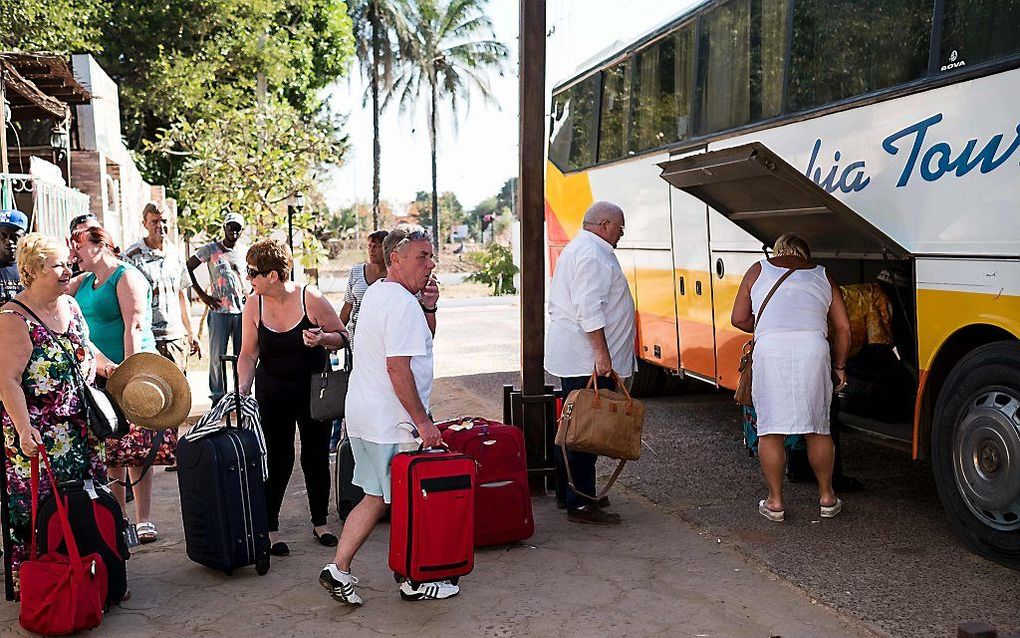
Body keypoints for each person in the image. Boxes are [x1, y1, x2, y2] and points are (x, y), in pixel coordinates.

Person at [319, 223, 447, 606]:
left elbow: (418, 342)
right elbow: (399, 368)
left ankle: (338, 568)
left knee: (376, 497)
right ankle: (413, 578)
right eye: (422, 257)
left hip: (363, 415)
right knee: (407, 501)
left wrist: (429, 305)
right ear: (395, 259)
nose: (431, 263)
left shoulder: (377, 294)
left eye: (430, 255)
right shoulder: (400, 303)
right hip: (393, 421)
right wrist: (423, 422)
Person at [0, 234, 118, 598]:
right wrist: (23, 428)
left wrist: (114, 370)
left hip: (83, 433)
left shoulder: (70, 304)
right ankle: (47, 590)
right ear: (32, 271)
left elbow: (85, 348)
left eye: (68, 262)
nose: (68, 270)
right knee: (41, 515)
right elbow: (7, 379)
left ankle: (94, 580)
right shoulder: (12, 318)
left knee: (89, 506)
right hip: (40, 441)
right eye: (58, 265)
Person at [236, 239, 347, 557]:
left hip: (314, 392)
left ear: (272, 276)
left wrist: (323, 338)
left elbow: (342, 337)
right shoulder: (253, 304)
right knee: (278, 459)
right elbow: (248, 353)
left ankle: (320, 523)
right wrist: (243, 389)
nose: (248, 278)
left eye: (252, 272)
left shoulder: (309, 296)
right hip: (273, 393)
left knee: (314, 457)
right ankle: (270, 528)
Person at [730, 233, 851, 522]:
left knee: (770, 429)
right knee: (818, 427)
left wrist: (765, 325)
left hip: (771, 350)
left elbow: (738, 318)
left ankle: (775, 502)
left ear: (777, 251)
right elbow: (843, 327)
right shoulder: (822, 274)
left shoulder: (758, 269)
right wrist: (840, 366)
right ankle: (826, 497)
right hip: (813, 348)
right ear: (804, 255)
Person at [70, 225, 170, 543]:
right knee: (112, 450)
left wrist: (130, 376)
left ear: (100, 246)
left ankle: (144, 519)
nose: (74, 254)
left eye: (79, 246)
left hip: (130, 374)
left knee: (138, 450)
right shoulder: (84, 281)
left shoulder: (125, 276)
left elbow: (135, 326)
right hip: (100, 376)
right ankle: (121, 518)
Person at [544, 201, 636, 525]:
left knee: (573, 425)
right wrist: (602, 355)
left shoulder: (586, 249)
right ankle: (581, 501)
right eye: (620, 228)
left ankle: (570, 491)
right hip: (587, 360)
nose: (622, 235)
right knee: (585, 428)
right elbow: (589, 309)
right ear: (606, 224)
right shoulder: (592, 254)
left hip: (582, 358)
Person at [330, 229, 389, 450]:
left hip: (382, 347)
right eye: (370, 245)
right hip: (356, 346)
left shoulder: (394, 275)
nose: (372, 249)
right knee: (350, 391)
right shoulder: (356, 272)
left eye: (377, 245)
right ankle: (340, 439)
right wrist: (334, 336)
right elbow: (347, 307)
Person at [187, 212, 246, 404]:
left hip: (241, 312)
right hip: (219, 311)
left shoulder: (243, 252)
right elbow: (187, 267)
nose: (234, 232)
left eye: (237, 228)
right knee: (217, 357)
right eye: (231, 227)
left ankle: (240, 395)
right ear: (224, 228)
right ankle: (218, 397)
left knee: (242, 356)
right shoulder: (211, 249)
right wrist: (203, 296)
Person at [0, 209, 28, 304]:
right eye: (3, 235)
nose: (9, 241)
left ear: (24, 237)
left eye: (14, 236)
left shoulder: (31, 270)